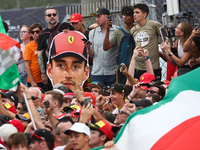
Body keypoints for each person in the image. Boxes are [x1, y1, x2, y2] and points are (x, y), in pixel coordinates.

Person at [38, 6, 74, 92]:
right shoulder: (43, 34)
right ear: (45, 18)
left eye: (54, 14)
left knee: (69, 91)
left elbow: (77, 39)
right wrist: (43, 73)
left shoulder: (65, 26)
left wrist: (69, 34)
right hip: (52, 69)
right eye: (49, 15)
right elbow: (39, 55)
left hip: (67, 67)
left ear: (57, 16)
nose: (52, 17)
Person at [103, 6, 135, 84]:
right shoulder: (118, 31)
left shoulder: (137, 30)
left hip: (136, 67)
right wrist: (107, 31)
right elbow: (106, 47)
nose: (125, 17)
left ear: (133, 17)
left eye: (128, 15)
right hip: (122, 68)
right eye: (123, 15)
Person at [130, 3, 163, 80]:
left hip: (153, 66)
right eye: (133, 12)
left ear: (144, 14)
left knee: (153, 90)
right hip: (138, 67)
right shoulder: (133, 30)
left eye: (137, 12)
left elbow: (165, 38)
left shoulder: (154, 25)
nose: (134, 15)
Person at [86, 7, 118, 86]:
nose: (97, 19)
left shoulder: (116, 30)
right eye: (96, 17)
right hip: (97, 73)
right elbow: (91, 55)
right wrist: (88, 47)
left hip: (112, 72)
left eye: (99, 17)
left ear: (107, 17)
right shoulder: (93, 33)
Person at [24, 23, 44, 88]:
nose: (35, 34)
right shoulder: (29, 46)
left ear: (41, 32)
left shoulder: (45, 44)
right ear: (30, 34)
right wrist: (32, 81)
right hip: (34, 81)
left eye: (37, 32)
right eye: (33, 32)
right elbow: (26, 64)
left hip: (45, 79)